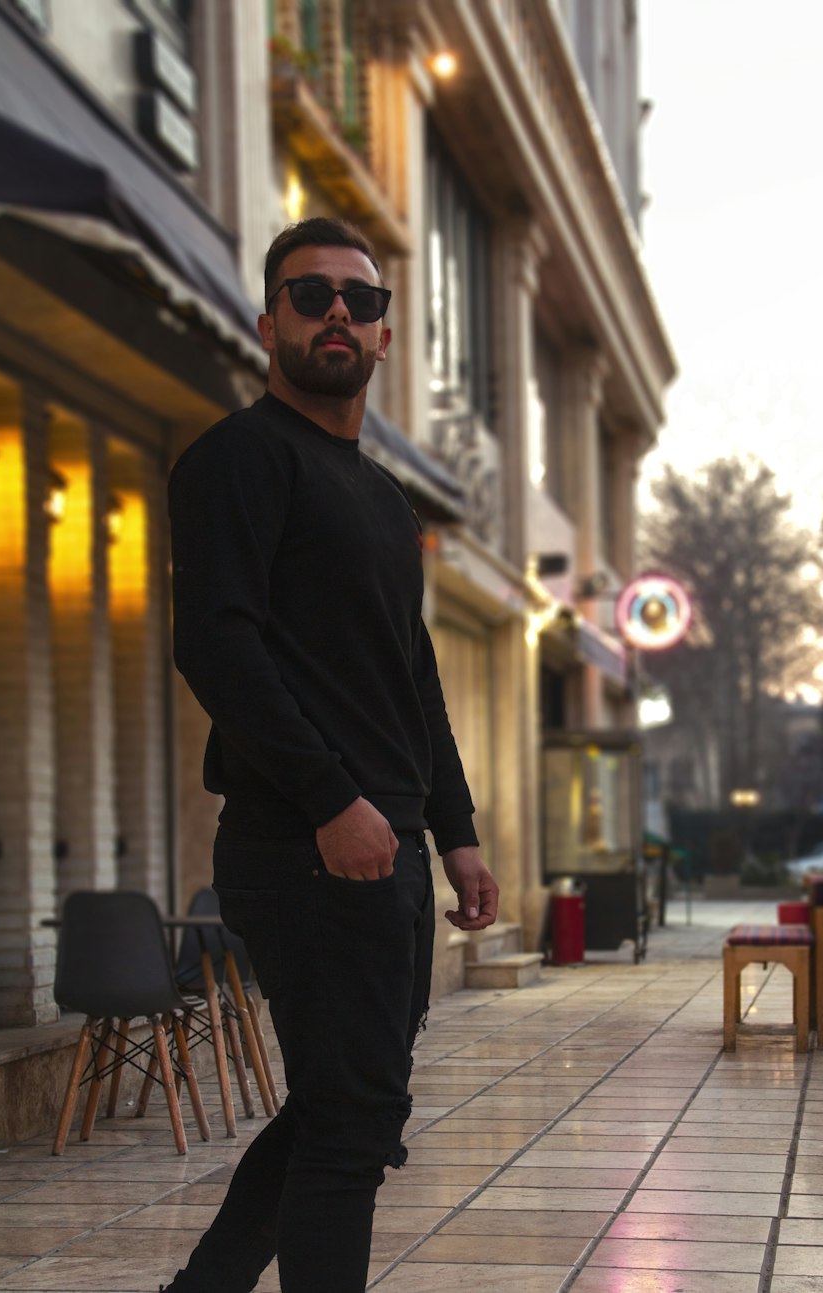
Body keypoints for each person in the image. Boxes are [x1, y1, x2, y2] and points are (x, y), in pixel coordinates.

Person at [162, 217, 498, 1293]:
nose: (338, 314)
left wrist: (456, 833)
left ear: (386, 336)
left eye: (360, 299)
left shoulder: (384, 498)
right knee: (351, 1128)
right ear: (269, 325)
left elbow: (412, 678)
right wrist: (329, 800)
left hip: (385, 847)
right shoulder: (237, 460)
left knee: (341, 1109)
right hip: (307, 845)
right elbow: (215, 642)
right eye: (310, 297)